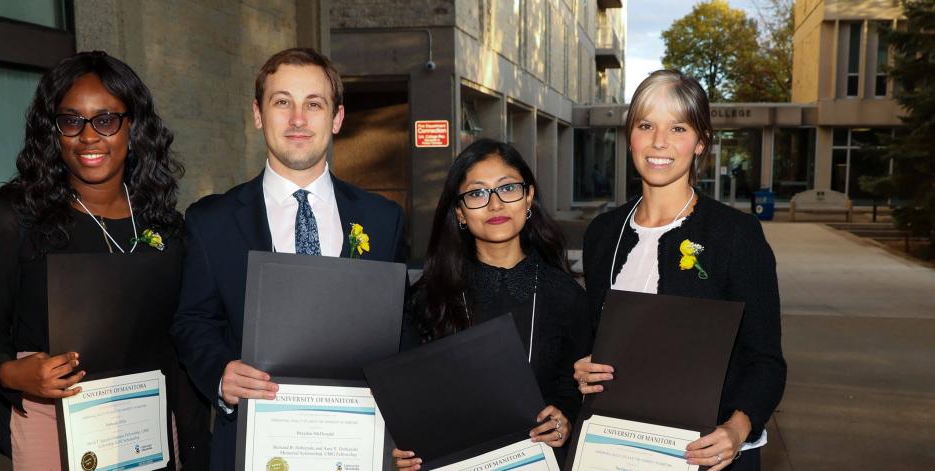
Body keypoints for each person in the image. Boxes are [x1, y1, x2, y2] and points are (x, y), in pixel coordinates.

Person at [170, 47, 407, 470]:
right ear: (258, 113)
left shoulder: (383, 219)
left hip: (357, 448)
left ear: (336, 118)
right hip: (253, 444)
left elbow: (400, 331)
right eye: (282, 102)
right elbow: (192, 322)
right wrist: (220, 372)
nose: (298, 119)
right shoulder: (212, 221)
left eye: (313, 104)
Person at [0, 51, 197, 469]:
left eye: (106, 120)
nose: (88, 136)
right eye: (71, 121)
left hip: (147, 417)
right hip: (51, 417)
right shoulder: (12, 221)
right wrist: (16, 374)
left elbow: (182, 329)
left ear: (133, 125)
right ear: (53, 132)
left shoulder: (166, 224)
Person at [574, 70, 786, 471]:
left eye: (678, 127)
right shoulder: (603, 234)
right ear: (629, 136)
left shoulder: (735, 235)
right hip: (616, 447)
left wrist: (737, 430)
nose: (659, 142)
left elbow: (766, 361)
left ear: (701, 141)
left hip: (707, 452)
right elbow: (595, 339)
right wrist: (585, 368)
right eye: (646, 125)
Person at [393, 139, 591, 470]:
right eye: (477, 194)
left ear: (528, 197)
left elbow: (571, 387)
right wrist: (402, 449)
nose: (495, 204)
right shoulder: (429, 297)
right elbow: (409, 398)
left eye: (508, 188)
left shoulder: (566, 295)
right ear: (459, 211)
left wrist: (564, 418)